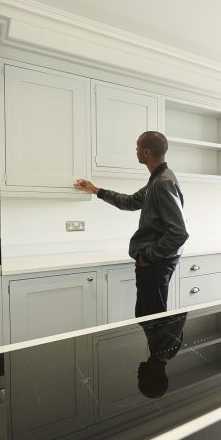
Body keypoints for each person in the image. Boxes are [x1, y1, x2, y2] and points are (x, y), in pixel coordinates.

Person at [74, 131, 189, 317]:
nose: (135, 150)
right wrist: (95, 190)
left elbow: (179, 232)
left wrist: (147, 256)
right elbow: (130, 202)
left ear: (146, 152)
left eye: (137, 146)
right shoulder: (159, 178)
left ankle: (167, 339)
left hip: (156, 263)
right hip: (157, 261)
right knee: (146, 316)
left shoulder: (162, 182)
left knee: (154, 320)